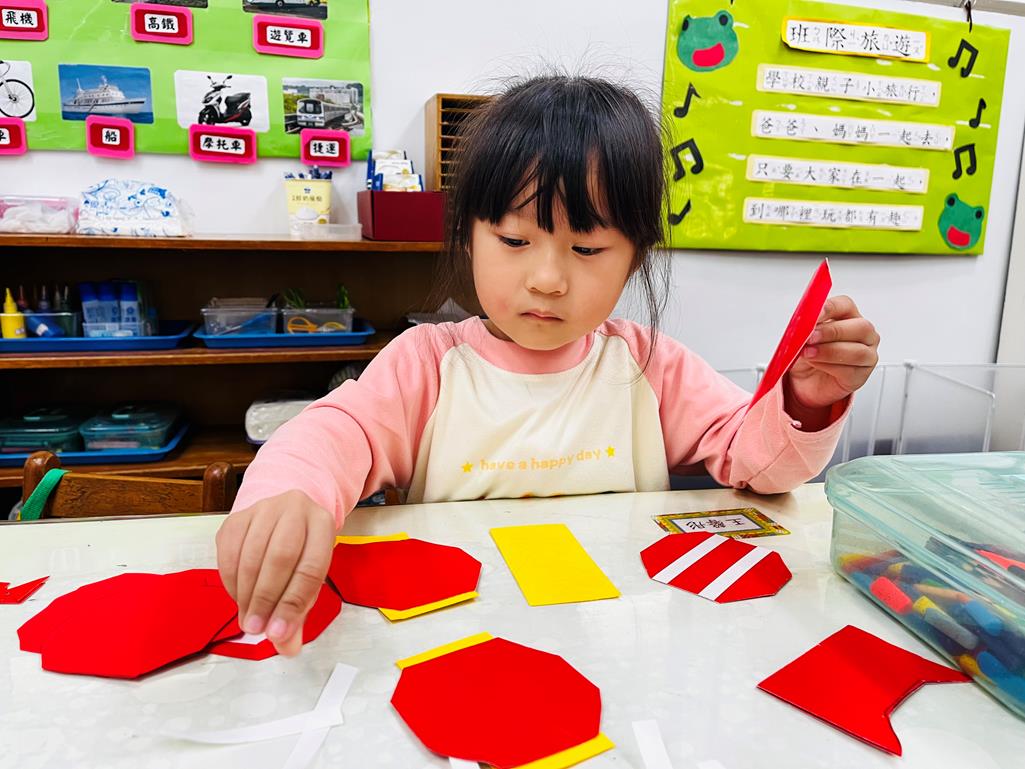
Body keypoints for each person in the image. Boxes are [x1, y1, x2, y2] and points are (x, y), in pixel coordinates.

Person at [216, 74, 880, 655]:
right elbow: (334, 433)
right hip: (455, 638)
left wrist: (805, 401)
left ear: (635, 258)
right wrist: (290, 495)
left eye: (587, 249)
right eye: (513, 239)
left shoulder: (647, 364)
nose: (547, 279)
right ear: (468, 237)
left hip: (618, 636)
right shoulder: (428, 364)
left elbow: (758, 467)